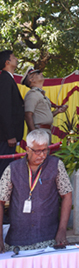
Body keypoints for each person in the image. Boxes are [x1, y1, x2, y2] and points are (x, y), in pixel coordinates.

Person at [0, 128, 72, 251]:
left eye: (45, 150)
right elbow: (1, 201)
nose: (42, 155)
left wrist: (62, 230)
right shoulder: (12, 169)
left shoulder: (56, 165)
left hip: (48, 239)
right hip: (17, 242)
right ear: (27, 149)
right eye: (37, 151)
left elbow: (67, 195)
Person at [22, 68, 68, 140]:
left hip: (45, 130)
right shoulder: (32, 94)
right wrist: (34, 134)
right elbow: (28, 115)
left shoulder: (40, 94)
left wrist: (58, 111)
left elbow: (45, 116)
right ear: (31, 79)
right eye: (37, 73)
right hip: (38, 131)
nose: (41, 74)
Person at [0, 50, 24, 179]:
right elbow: (4, 109)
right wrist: (10, 135)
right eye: (14, 57)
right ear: (7, 62)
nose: (17, 59)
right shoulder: (4, 79)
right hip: (5, 137)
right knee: (3, 170)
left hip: (8, 136)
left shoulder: (9, 79)